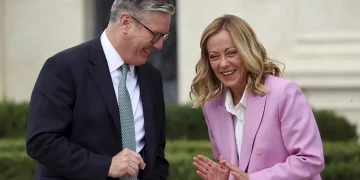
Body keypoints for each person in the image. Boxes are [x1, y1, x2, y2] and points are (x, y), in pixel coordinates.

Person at [25, 0, 175, 179]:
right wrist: (106, 165)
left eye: (163, 37)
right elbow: (41, 142)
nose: (159, 46)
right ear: (125, 22)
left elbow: (156, 151)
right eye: (155, 35)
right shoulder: (63, 68)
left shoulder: (152, 77)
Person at [189, 14, 325, 180]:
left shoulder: (284, 92)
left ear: (247, 51)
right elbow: (233, 170)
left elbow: (310, 160)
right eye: (214, 56)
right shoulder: (212, 105)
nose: (223, 63)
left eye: (231, 53)